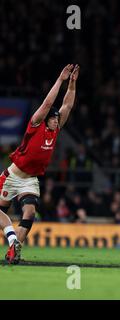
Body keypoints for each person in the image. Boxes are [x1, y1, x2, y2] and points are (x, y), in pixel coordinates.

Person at [1, 64, 79, 264]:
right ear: (46, 119)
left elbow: (68, 105)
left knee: (30, 212)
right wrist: (60, 80)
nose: (56, 120)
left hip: (30, 180)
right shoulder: (36, 124)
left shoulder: (56, 130)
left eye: (56, 118)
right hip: (12, 176)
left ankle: (13, 250)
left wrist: (72, 84)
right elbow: (46, 104)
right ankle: (12, 239)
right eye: (53, 118)